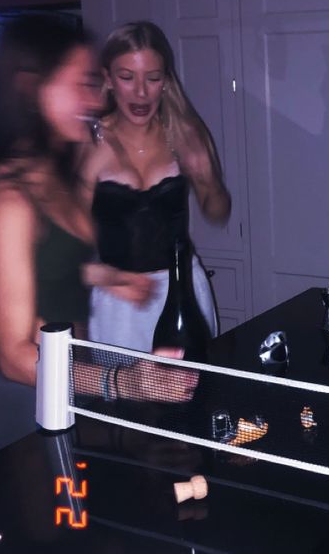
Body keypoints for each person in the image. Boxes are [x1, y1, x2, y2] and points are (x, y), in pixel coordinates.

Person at [0, 16, 196, 456]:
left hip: (69, 386)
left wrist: (109, 277)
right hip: (27, 405)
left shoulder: (54, 174)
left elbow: (51, 268)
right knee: (50, 523)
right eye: (81, 84)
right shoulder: (10, 196)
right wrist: (123, 381)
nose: (96, 100)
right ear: (31, 87)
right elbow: (16, 354)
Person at [81, 21, 232, 352]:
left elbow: (218, 211)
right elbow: (66, 246)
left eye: (152, 78)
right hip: (118, 298)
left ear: (166, 81)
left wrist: (208, 180)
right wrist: (107, 278)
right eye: (127, 77)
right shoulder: (89, 144)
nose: (140, 92)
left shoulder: (185, 134)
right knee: (119, 400)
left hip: (182, 292)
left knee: (195, 395)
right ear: (107, 79)